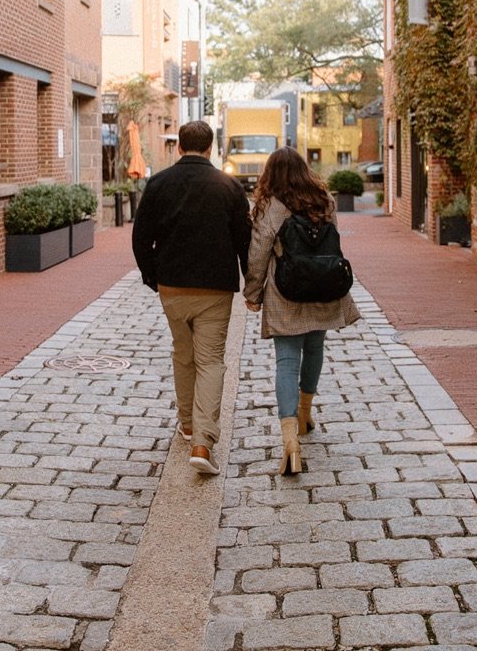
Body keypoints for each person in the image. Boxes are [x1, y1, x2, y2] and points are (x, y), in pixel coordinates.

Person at [132, 120, 252, 475]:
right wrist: (252, 284)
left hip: (172, 286)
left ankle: (186, 423)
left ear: (180, 147)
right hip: (214, 288)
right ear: (211, 148)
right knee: (211, 361)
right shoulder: (229, 186)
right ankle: (202, 441)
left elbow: (141, 238)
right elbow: (245, 242)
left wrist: (152, 276)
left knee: (183, 354)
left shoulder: (158, 184)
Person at [242, 147, 360, 475]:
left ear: (271, 174)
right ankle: (306, 414)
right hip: (323, 288)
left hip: (286, 291)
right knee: (315, 348)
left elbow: (259, 251)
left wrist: (252, 292)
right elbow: (332, 243)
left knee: (286, 362)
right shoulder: (324, 199)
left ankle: (290, 440)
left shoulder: (271, 205)